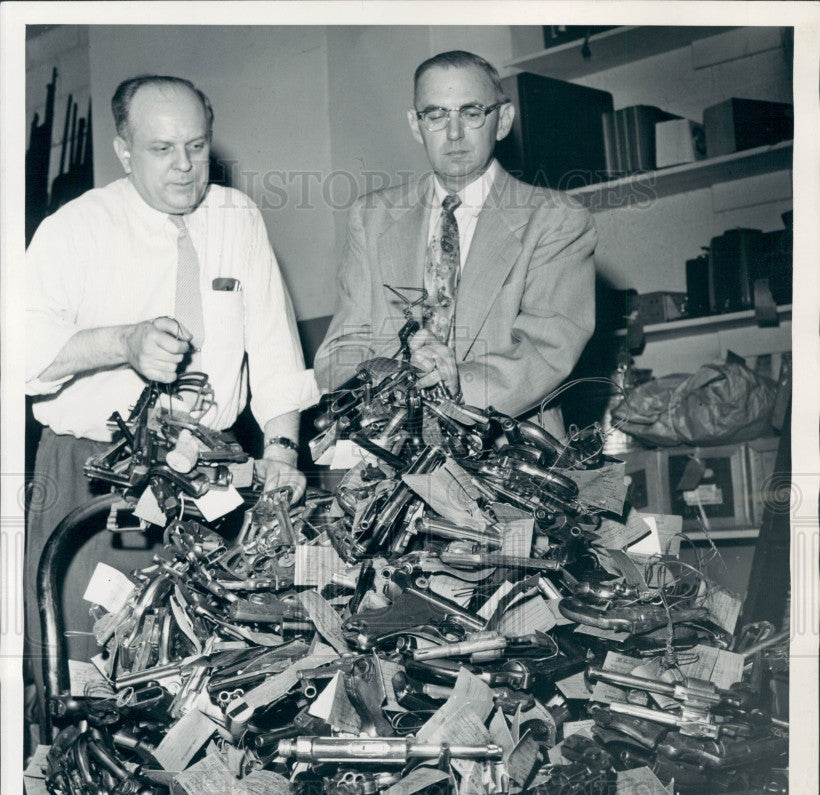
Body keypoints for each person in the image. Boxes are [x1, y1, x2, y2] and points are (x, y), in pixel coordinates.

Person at [24, 75, 317, 711]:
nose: (185, 167)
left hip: (211, 474)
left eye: (197, 146)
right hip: (99, 479)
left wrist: (284, 453)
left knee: (207, 672)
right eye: (162, 150)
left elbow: (274, 346)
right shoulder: (71, 231)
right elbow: (21, 357)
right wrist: (122, 343)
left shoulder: (236, 217)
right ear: (124, 149)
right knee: (94, 676)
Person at [314, 50, 597, 437]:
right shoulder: (371, 217)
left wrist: (449, 385)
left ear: (503, 121)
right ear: (416, 126)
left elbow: (545, 353)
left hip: (511, 460)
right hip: (395, 455)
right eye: (436, 115)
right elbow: (336, 357)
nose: (453, 133)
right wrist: (398, 374)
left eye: (471, 112)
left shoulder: (556, 218)